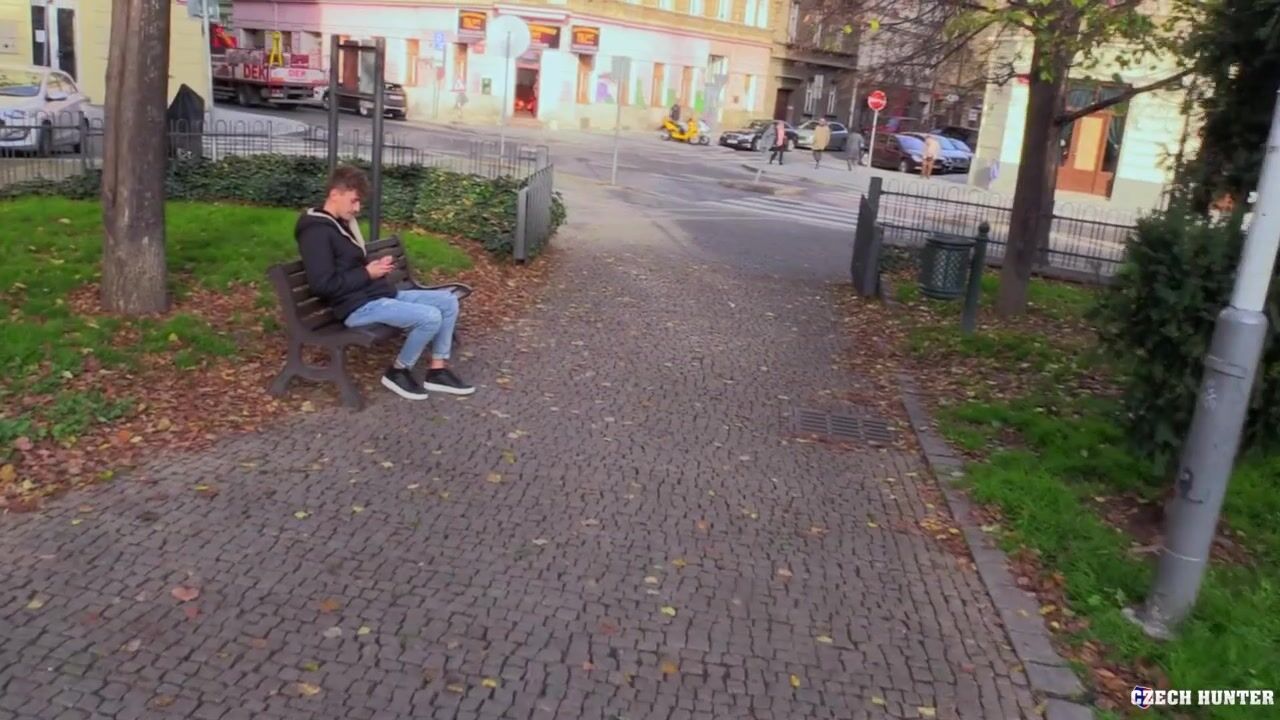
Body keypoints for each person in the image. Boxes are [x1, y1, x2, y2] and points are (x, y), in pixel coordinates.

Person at [295, 166, 474, 401]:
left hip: (376, 295)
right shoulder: (315, 232)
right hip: (356, 307)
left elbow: (349, 266)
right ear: (335, 194)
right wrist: (367, 273)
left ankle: (437, 371)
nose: (357, 208)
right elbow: (322, 285)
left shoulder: (339, 223)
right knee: (430, 317)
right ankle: (398, 371)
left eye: (359, 202)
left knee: (448, 301)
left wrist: (374, 267)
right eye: (354, 200)